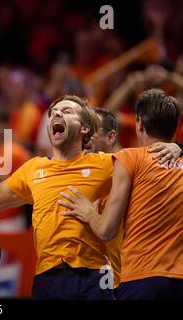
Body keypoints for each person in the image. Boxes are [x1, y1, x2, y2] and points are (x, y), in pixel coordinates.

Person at [0, 94, 181, 299]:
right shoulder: (32, 168)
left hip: (96, 274)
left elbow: (149, 160)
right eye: (53, 112)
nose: (56, 113)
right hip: (47, 275)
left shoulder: (108, 163)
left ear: (84, 128)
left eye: (66, 111)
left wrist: (178, 147)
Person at [57, 89, 182, 299]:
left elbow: (106, 230)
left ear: (139, 123)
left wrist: (88, 211)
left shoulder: (129, 158)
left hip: (141, 278)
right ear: (176, 127)